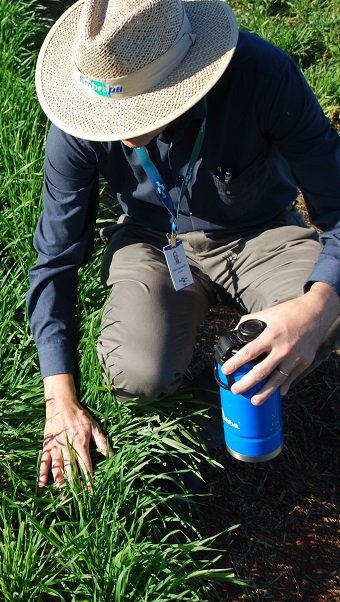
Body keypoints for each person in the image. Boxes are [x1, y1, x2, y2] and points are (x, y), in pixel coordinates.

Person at [26, 0, 340, 488]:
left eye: (133, 112)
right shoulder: (79, 121)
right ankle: (219, 385)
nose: (120, 132)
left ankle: (249, 375)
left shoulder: (262, 73)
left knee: (323, 317)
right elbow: (55, 257)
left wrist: (317, 307)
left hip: (259, 231)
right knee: (137, 374)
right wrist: (59, 400)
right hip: (154, 237)